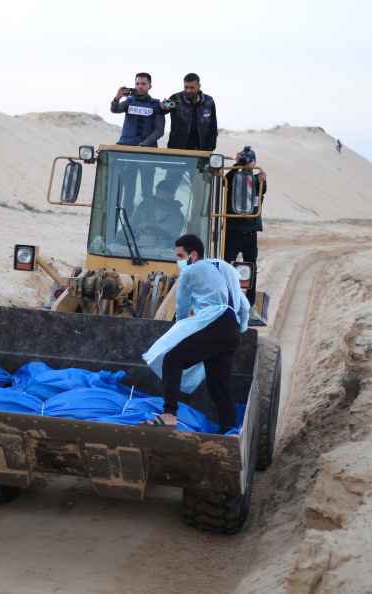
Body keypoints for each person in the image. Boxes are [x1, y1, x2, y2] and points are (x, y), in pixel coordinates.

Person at [141, 234, 250, 432]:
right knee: (219, 387)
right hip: (231, 329)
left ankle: (169, 414)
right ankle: (229, 431)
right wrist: (239, 329)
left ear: (193, 255)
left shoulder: (190, 272)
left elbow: (182, 308)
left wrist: (183, 331)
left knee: (172, 359)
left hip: (215, 322)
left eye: (180, 256)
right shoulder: (224, 268)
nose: (179, 261)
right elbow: (245, 306)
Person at [224, 147, 267, 306]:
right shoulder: (233, 175)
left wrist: (260, 176)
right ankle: (226, 298)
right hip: (232, 230)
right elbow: (227, 180)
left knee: (252, 267)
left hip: (249, 232)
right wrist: (237, 165)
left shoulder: (257, 179)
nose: (246, 163)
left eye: (248, 160)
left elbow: (262, 186)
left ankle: (249, 301)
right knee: (227, 265)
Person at [162, 73, 218, 151]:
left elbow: (213, 126)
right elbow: (162, 109)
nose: (188, 90)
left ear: (199, 86)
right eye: (186, 87)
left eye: (192, 88)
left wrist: (211, 146)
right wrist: (163, 105)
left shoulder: (209, 101)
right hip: (177, 148)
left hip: (202, 148)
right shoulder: (176, 98)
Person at [111, 72, 165, 147]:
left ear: (150, 86)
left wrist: (144, 144)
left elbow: (159, 131)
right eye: (137, 84)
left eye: (143, 84)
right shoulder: (129, 102)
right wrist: (117, 98)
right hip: (125, 145)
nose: (140, 86)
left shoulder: (156, 104)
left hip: (147, 149)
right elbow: (114, 110)